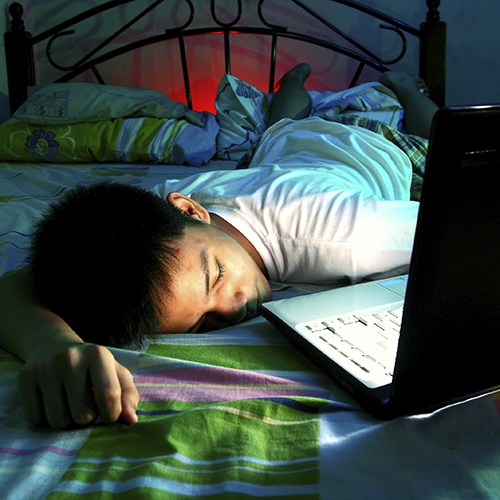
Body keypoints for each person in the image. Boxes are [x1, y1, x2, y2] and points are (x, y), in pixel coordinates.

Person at [0, 65, 439, 429]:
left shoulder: (344, 236)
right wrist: (50, 345)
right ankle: (290, 86)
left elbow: (459, 233)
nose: (233, 310)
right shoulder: (153, 219)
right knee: (281, 125)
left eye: (217, 277)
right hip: (278, 152)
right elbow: (21, 282)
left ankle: (406, 87)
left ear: (191, 210)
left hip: (368, 144)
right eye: (202, 323)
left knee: (435, 134)